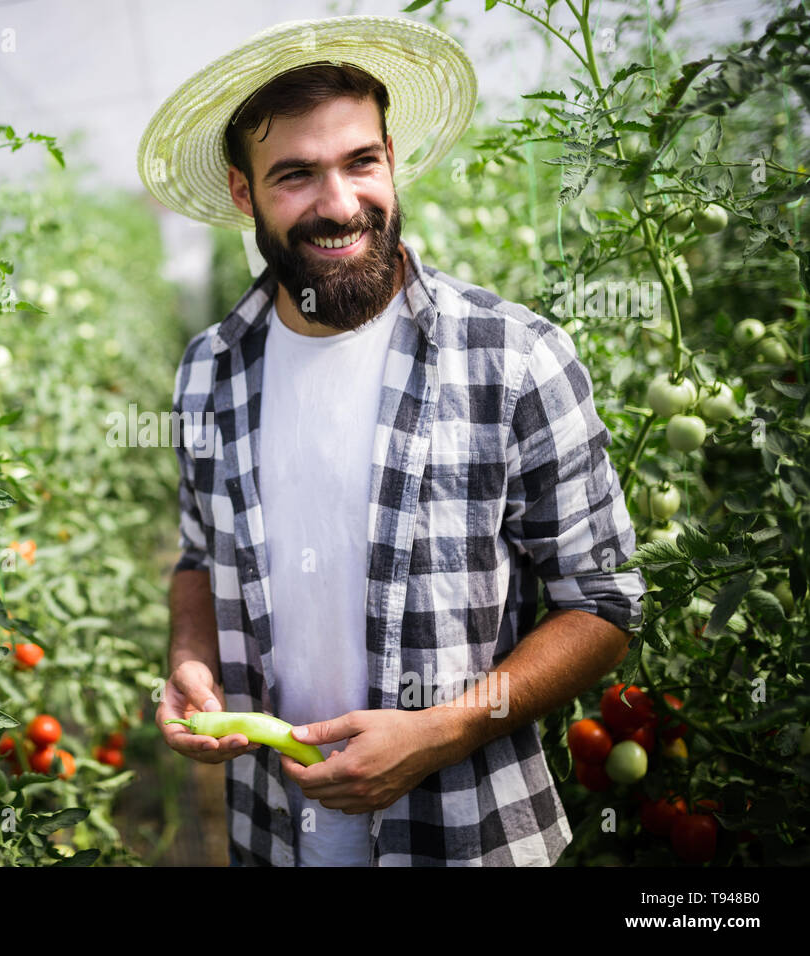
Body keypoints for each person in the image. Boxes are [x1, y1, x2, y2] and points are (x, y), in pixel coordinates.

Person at [137, 16, 647, 866]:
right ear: (242, 194)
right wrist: (190, 659)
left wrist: (444, 731)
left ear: (392, 158)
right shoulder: (209, 372)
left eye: (359, 162)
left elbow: (602, 605)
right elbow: (198, 556)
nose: (339, 205)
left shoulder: (513, 356)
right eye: (296, 175)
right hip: (276, 833)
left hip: (467, 834)